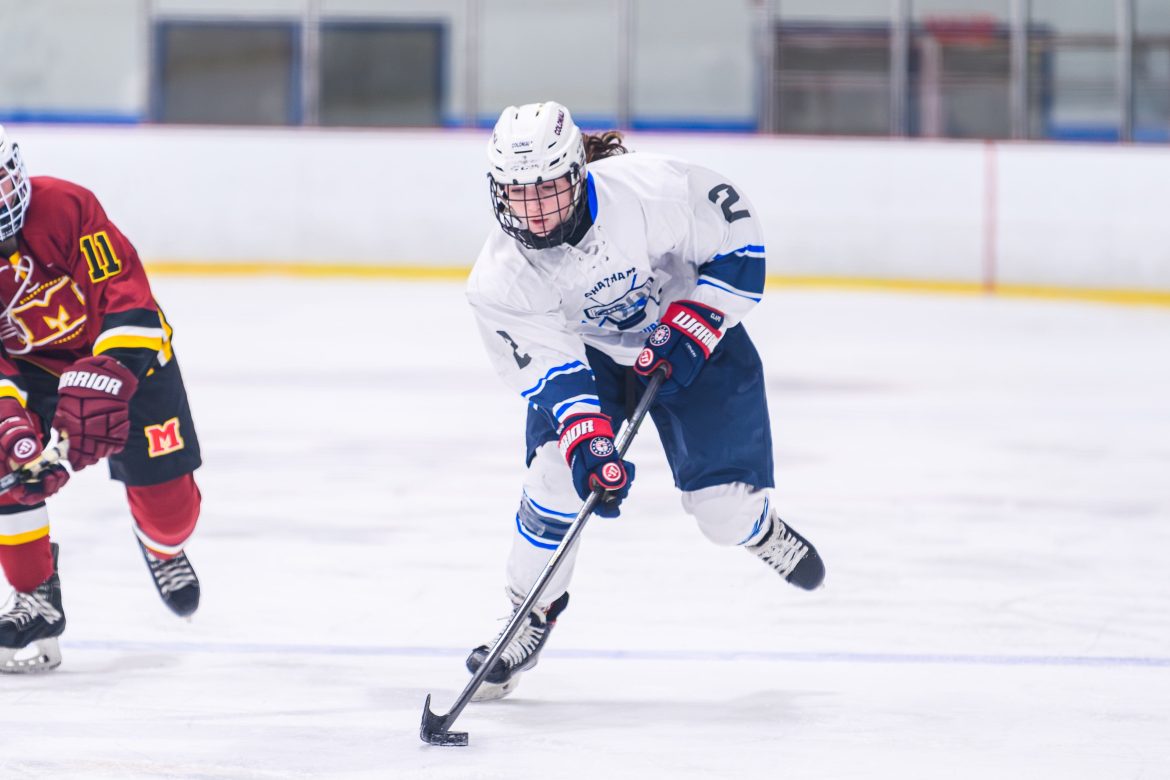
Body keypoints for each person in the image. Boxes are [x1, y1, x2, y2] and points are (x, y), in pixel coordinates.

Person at [464, 101, 826, 700]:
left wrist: (696, 321)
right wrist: (588, 441)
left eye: (548, 190)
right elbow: (554, 370)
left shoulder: (649, 191)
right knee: (557, 474)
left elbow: (738, 246)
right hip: (595, 357)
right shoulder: (500, 279)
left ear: (578, 175)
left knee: (722, 514)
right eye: (518, 195)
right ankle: (530, 612)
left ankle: (759, 530)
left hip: (696, 341)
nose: (533, 211)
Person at [0, 125, 203, 673]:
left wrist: (106, 378)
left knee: (171, 517)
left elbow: (127, 299)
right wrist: (12, 425)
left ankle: (161, 546)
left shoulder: (67, 206)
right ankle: (36, 598)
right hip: (36, 374)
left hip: (130, 360)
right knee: (5, 465)